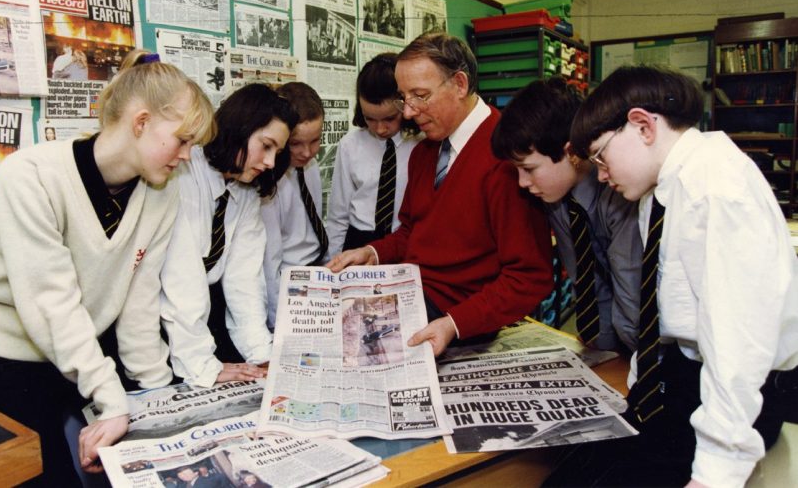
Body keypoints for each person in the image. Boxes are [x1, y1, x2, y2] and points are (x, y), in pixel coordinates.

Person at [0, 50, 256, 486]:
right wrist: (112, 399)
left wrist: (156, 390)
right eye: (183, 140)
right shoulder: (30, 175)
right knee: (54, 478)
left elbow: (138, 297)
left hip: (80, 354)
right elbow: (51, 303)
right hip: (5, 359)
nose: (187, 157)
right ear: (141, 122)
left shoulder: (161, 191)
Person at [544, 64, 798, 488]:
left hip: (743, 396)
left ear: (642, 125)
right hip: (681, 376)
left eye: (602, 157)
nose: (601, 175)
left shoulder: (716, 190)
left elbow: (737, 347)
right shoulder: (660, 190)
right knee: (568, 472)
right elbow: (659, 312)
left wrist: (715, 473)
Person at [327, 33, 553, 356]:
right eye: (404, 97)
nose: (408, 112)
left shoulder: (506, 155)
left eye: (420, 96)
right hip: (411, 298)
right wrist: (372, 253)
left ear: (459, 84)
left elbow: (529, 276)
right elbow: (411, 232)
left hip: (458, 321)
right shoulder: (424, 151)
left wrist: (454, 323)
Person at [490, 77, 642, 353]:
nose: (522, 182)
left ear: (570, 152)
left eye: (530, 169)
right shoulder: (557, 198)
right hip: (602, 340)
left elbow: (631, 295)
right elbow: (586, 283)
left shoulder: (619, 194)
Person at [161, 83, 297, 382]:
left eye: (278, 152)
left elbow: (244, 276)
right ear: (240, 128)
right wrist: (201, 364)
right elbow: (181, 280)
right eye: (266, 145)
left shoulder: (245, 191)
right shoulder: (182, 174)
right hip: (160, 318)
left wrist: (261, 352)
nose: (271, 162)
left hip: (203, 311)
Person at [326, 53, 421, 259]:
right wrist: (332, 262)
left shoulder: (421, 144)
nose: (380, 128)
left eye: (389, 118)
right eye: (370, 118)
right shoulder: (349, 145)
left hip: (405, 240)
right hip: (358, 241)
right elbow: (338, 216)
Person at [261, 82, 326, 329]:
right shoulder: (269, 183)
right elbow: (270, 264)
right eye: (296, 143)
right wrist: (281, 323)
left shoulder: (311, 167)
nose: (307, 152)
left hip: (316, 271)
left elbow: (317, 224)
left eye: (315, 141)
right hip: (286, 284)